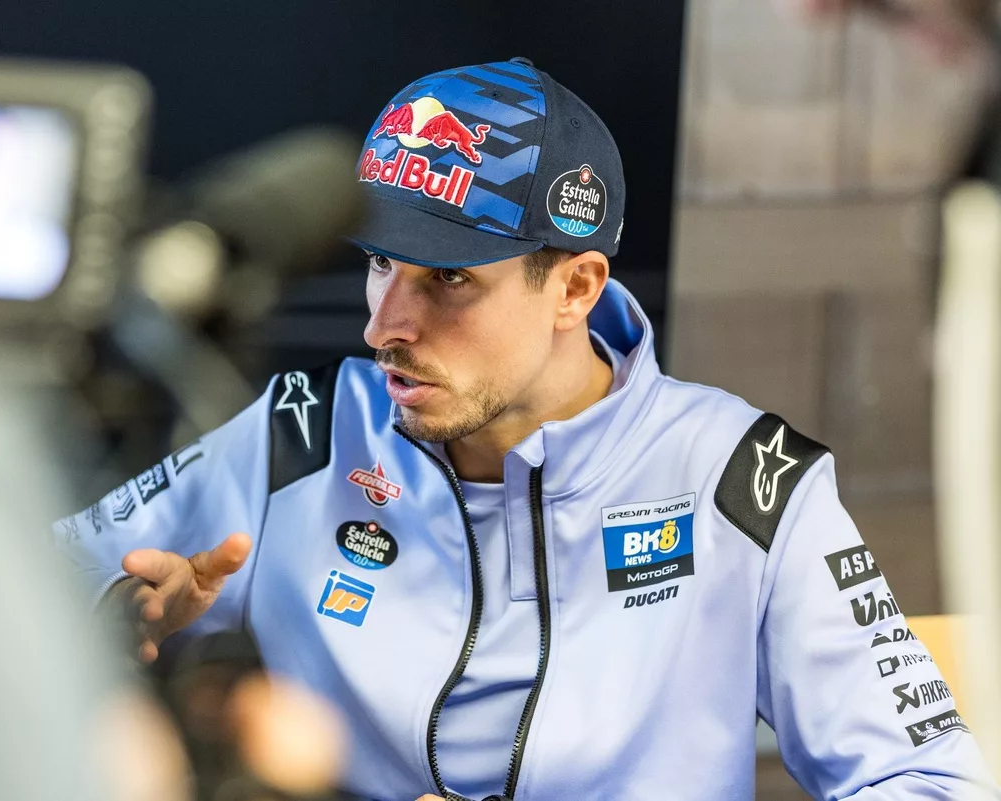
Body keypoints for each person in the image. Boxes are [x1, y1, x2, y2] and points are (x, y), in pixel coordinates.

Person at [55, 58, 1001, 800]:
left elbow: (925, 779)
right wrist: (118, 618)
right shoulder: (302, 435)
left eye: (448, 279)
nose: (385, 325)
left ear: (576, 288)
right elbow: (27, 584)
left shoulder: (743, 480)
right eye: (382, 264)